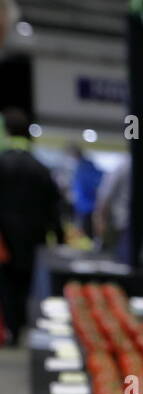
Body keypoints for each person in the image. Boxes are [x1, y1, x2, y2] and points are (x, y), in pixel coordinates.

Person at [0, 108, 64, 345]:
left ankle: (13, 330)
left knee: (7, 285)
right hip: (33, 237)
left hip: (4, 238)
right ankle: (25, 324)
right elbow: (54, 207)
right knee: (26, 283)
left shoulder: (2, 163)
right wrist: (59, 237)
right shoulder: (41, 169)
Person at [94, 152, 132, 261]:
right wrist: (101, 221)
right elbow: (105, 197)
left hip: (124, 224)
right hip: (121, 225)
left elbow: (104, 196)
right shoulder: (124, 165)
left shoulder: (123, 165)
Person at [66, 142, 103, 237]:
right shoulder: (80, 168)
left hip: (88, 207)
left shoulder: (86, 167)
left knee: (87, 233)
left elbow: (94, 186)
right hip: (83, 207)